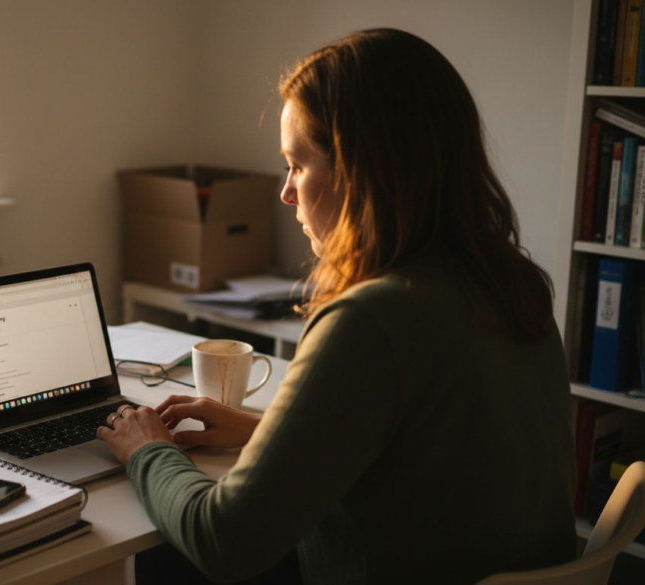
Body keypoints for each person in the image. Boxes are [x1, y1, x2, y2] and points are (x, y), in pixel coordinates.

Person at [97, 28, 576, 585]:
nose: (286, 193)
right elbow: (428, 448)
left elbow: (223, 541)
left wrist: (147, 449)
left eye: (297, 165)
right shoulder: (513, 284)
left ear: (362, 171)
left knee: (161, 556)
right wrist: (263, 429)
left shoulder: (371, 320)